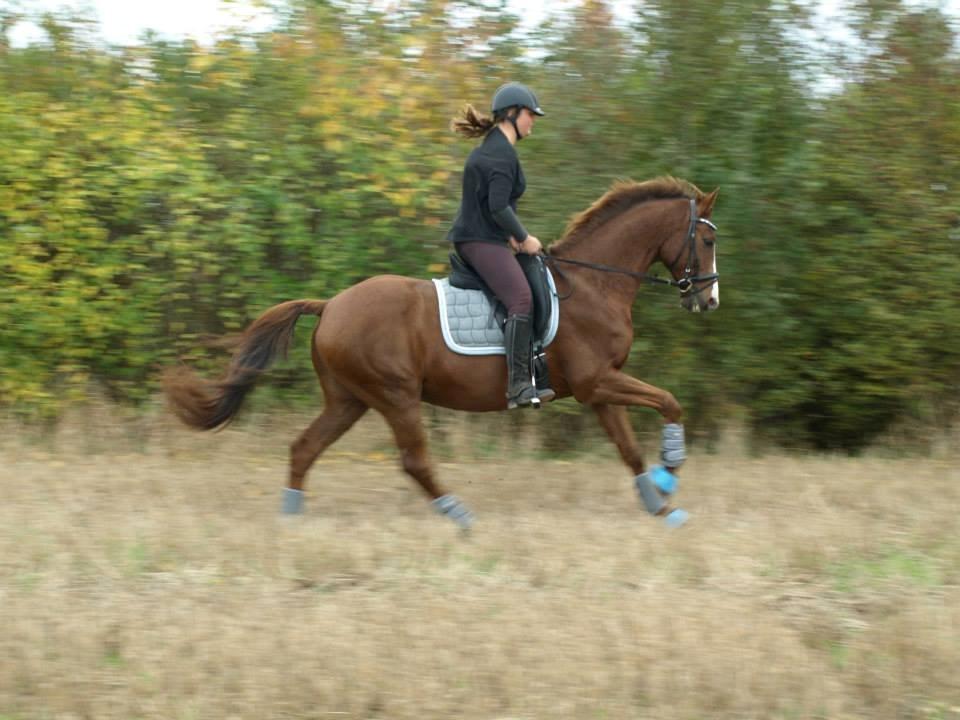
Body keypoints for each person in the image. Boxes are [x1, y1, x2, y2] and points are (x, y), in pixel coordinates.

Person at [447, 82, 554, 409]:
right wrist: (524, 238)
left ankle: (534, 370)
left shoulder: (494, 149)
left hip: (485, 237)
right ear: (511, 114)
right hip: (478, 240)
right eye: (529, 115)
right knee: (521, 297)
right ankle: (519, 385)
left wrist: (511, 238)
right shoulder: (501, 153)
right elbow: (497, 206)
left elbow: (488, 205)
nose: (533, 121)